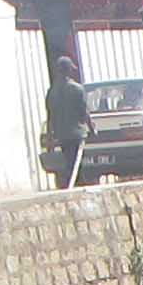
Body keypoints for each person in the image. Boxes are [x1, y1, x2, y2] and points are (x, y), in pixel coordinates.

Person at [42, 52, 91, 186]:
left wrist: (50, 135)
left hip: (62, 133)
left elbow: (50, 114)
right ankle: (76, 182)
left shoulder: (52, 91)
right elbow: (84, 111)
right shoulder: (77, 89)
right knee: (76, 160)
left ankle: (74, 181)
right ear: (69, 70)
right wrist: (91, 127)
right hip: (76, 132)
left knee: (69, 159)